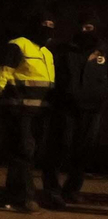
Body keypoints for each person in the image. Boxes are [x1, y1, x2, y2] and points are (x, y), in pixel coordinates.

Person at [0, 13, 57, 212]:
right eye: (44, 24)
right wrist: (1, 97)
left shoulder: (46, 53)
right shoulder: (18, 45)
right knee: (25, 151)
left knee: (24, 153)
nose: (48, 29)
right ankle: (25, 197)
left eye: (52, 25)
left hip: (38, 112)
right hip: (18, 109)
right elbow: (1, 74)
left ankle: (12, 195)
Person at [41, 11, 107, 207]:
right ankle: (51, 190)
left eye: (89, 28)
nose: (84, 31)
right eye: (81, 28)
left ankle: (72, 189)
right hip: (66, 108)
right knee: (60, 147)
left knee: (84, 151)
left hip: (93, 110)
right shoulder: (65, 51)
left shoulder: (104, 52)